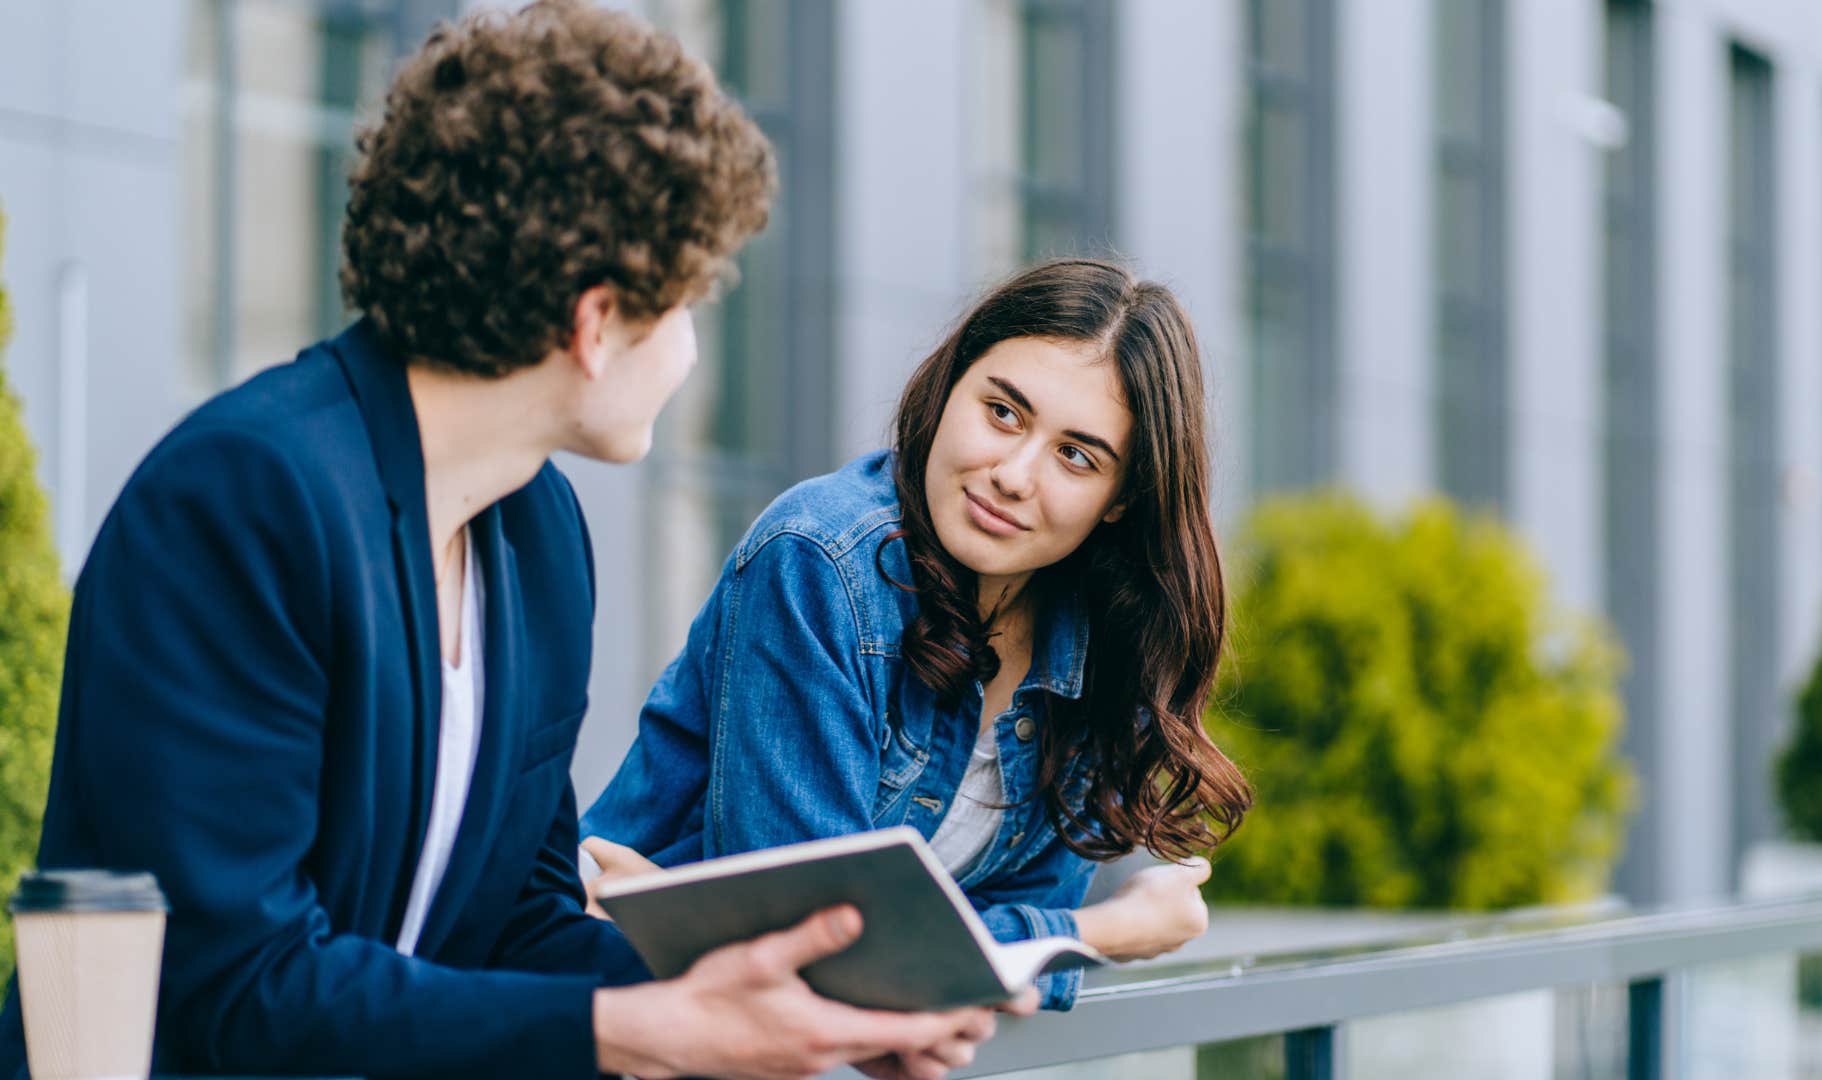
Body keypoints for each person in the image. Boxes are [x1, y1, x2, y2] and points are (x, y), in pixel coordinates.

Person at [0, 4, 1000, 1078]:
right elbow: (234, 982)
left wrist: (806, 1007)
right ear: (598, 322)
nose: (692, 348)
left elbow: (511, 929)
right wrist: (632, 1030)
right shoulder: (244, 498)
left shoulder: (540, 535)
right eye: (687, 305)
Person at [581, 258, 1255, 1011]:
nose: (1012, 475)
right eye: (1003, 412)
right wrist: (1107, 929)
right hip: (623, 1020)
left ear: (1121, 499)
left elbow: (978, 982)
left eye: (1075, 455)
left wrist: (970, 954)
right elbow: (804, 942)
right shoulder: (820, 560)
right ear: (950, 387)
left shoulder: (1101, 644)